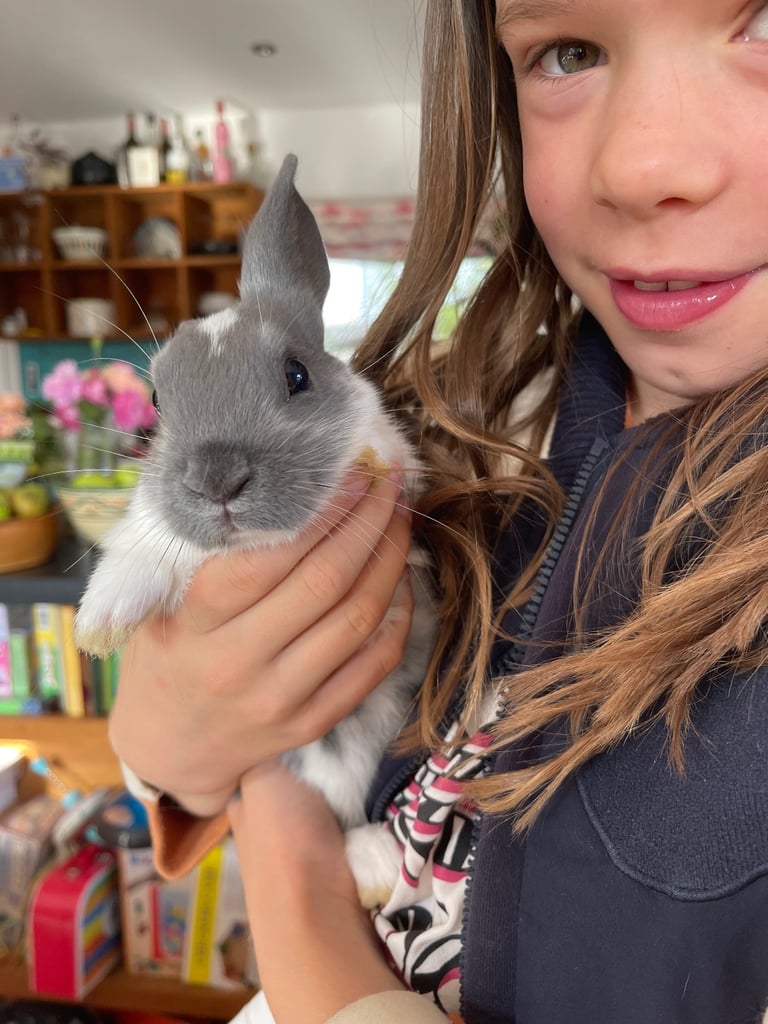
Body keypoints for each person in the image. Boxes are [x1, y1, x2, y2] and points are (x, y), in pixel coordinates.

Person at [109, 0, 768, 1021]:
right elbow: (207, 715)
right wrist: (165, 741)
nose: (639, 166)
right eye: (570, 51)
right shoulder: (469, 409)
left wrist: (289, 863)